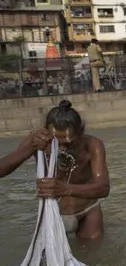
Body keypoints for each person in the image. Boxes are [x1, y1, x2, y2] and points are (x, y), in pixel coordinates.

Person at [0, 100, 110, 239]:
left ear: (80, 132)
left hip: (87, 212)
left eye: (68, 143)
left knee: (93, 256)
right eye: (56, 142)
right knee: (48, 259)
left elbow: (103, 188)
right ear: (46, 132)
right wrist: (32, 147)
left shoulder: (92, 145)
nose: (62, 149)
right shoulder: (37, 141)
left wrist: (66, 189)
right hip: (53, 214)